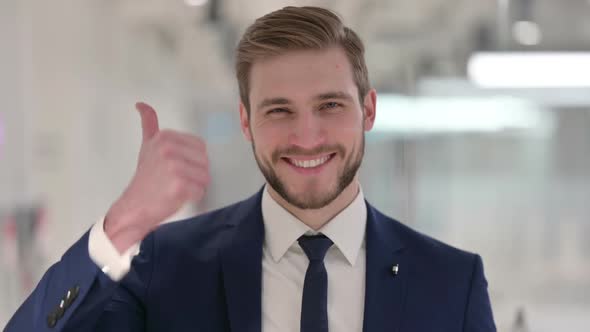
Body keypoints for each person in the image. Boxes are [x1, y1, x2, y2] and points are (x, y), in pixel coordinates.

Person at [4, 6, 496, 332]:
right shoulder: (169, 266)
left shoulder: (451, 283)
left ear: (368, 110)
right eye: (279, 110)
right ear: (246, 121)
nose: (306, 137)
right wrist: (123, 225)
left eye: (329, 105)